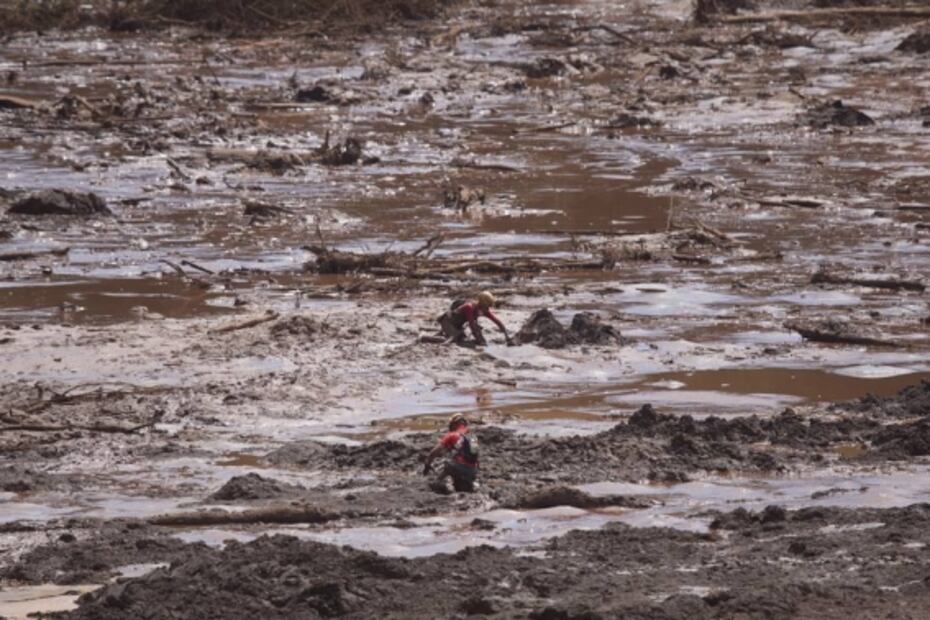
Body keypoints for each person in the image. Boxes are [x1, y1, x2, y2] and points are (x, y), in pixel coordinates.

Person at [423, 414, 479, 493]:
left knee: (441, 463)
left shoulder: (452, 435)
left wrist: (427, 463)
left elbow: (434, 452)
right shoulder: (472, 436)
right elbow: (474, 455)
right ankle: (469, 484)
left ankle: (438, 483)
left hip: (458, 467)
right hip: (472, 470)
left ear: (454, 424)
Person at [437, 291, 512, 346]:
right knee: (457, 339)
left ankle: (445, 333)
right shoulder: (469, 307)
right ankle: (436, 336)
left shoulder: (484, 310)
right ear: (481, 304)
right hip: (447, 322)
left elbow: (496, 321)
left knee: (462, 337)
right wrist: (480, 340)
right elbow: (472, 324)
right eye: (486, 307)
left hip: (457, 326)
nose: (487, 309)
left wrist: (506, 336)